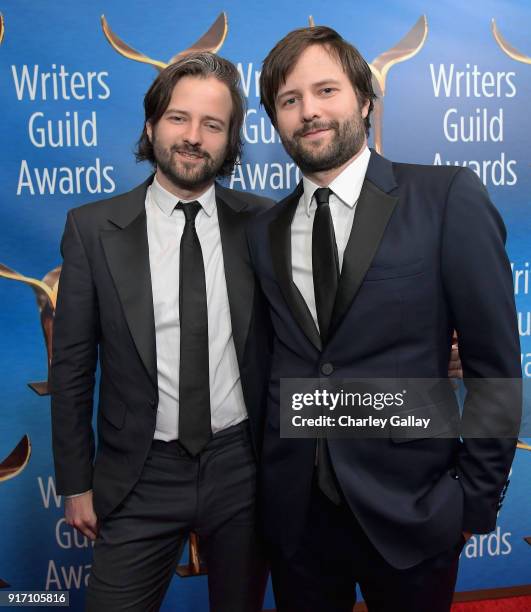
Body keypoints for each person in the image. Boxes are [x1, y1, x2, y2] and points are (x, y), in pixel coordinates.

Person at [247, 26, 522, 612]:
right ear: (274, 120)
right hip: (296, 521)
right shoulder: (263, 232)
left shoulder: (445, 197)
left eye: (326, 90)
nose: (309, 111)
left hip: (412, 515)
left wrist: (471, 502)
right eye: (289, 100)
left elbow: (494, 366)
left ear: (366, 100)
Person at [50, 52, 273, 612]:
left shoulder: (267, 224)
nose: (193, 137)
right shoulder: (92, 229)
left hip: (243, 471)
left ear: (230, 142)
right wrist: (76, 484)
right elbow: (72, 368)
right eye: (178, 118)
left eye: (212, 124)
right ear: (151, 127)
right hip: (139, 473)